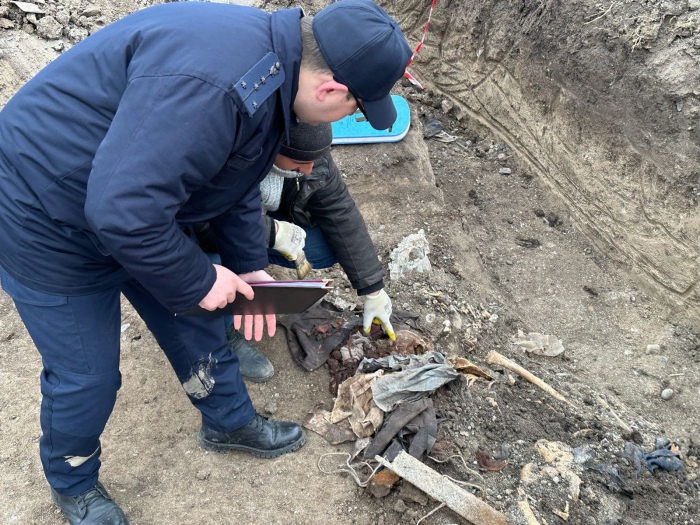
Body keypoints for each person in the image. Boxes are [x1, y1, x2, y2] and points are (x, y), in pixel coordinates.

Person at [0, 1, 411, 523]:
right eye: (357, 107)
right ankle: (73, 480)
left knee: (196, 318)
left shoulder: (273, 73)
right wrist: (196, 275)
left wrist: (245, 265)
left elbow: (229, 177)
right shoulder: (220, 84)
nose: (352, 117)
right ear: (330, 89)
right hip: (41, 213)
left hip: (128, 205)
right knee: (88, 376)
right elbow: (121, 212)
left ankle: (228, 422)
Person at [195, 122, 395, 383]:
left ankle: (252, 261)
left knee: (325, 246)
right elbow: (202, 223)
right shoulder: (230, 155)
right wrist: (270, 233)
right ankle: (223, 335)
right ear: (271, 149)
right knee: (213, 260)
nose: (308, 169)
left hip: (256, 219)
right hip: (205, 235)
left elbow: (340, 211)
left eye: (314, 160)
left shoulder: (307, 148)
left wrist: (373, 288)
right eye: (299, 162)